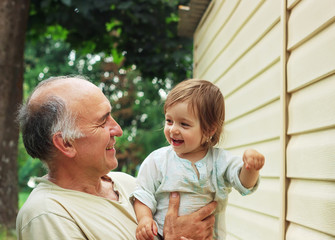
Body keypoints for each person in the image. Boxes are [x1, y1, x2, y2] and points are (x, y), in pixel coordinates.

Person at [16, 76, 217, 240]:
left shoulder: (128, 184)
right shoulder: (47, 215)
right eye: (102, 122)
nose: (118, 130)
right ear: (66, 143)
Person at [132, 79, 265, 240]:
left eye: (184, 124)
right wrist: (145, 219)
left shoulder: (219, 161)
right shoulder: (158, 160)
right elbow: (143, 194)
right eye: (169, 121)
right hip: (162, 235)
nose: (173, 129)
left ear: (209, 129)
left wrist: (251, 168)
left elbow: (244, 184)